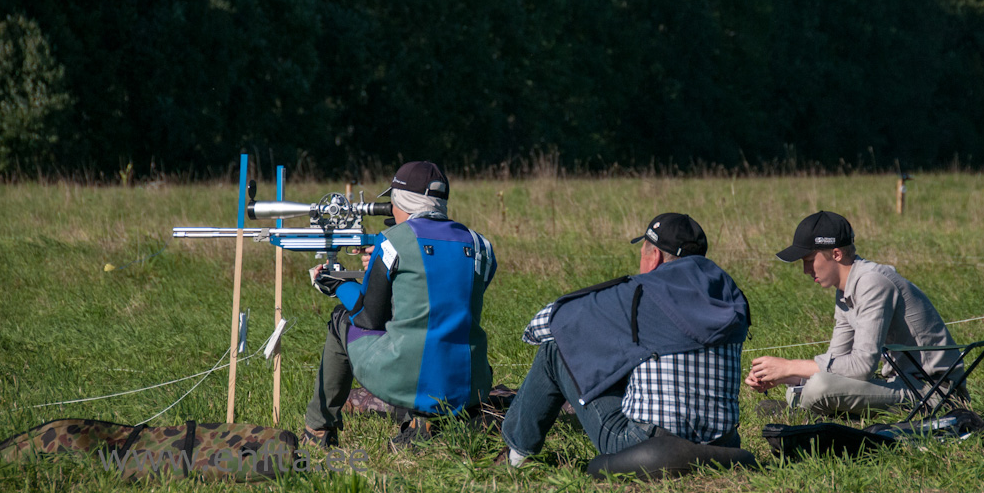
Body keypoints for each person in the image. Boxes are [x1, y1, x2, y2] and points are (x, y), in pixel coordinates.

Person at [498, 213, 750, 466]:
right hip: (723, 442)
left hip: (646, 444)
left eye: (642, 252)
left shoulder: (638, 294)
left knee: (555, 348)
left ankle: (517, 457)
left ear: (655, 257)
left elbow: (544, 324)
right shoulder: (731, 295)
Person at [303, 161, 496, 447]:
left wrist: (338, 285)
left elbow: (369, 317)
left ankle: (318, 430)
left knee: (341, 319)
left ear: (401, 200)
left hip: (411, 376)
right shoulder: (481, 244)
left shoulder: (393, 242)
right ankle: (429, 421)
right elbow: (439, 299)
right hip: (472, 382)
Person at [746, 210, 963, 416]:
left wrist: (789, 366)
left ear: (836, 254)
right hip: (900, 383)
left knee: (818, 388)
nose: (806, 270)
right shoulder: (845, 291)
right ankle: (808, 410)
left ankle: (805, 413)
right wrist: (783, 376)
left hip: (934, 392)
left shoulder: (872, 282)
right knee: (813, 385)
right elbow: (837, 360)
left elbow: (862, 367)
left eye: (809, 261)